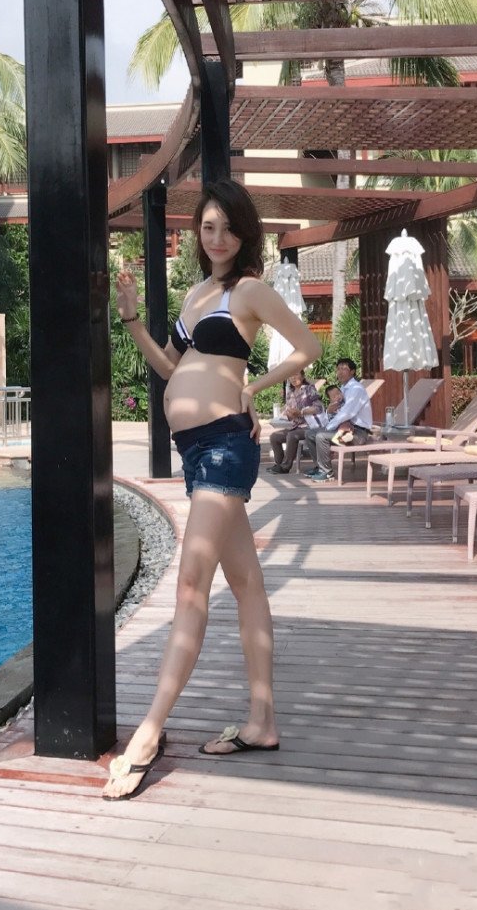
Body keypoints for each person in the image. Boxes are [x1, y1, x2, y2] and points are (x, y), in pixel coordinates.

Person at [106, 178, 320, 800]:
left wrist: (253, 389)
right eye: (208, 227)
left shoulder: (248, 290)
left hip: (226, 444)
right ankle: (262, 721)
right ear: (197, 233)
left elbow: (307, 347)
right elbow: (171, 367)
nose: (217, 237)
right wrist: (131, 318)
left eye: (228, 227)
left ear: (243, 232)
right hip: (195, 450)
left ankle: (148, 733)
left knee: (190, 583)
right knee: (246, 582)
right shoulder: (197, 293)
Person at [303, 359, 373, 483]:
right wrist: (329, 412)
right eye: (338, 369)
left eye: (344, 369)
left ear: (352, 371)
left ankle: (327, 472)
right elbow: (336, 413)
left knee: (321, 436)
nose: (340, 372)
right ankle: (319, 467)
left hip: (357, 434)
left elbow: (347, 413)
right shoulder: (342, 389)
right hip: (343, 430)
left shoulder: (356, 389)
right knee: (309, 434)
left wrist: (328, 427)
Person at [268, 370, 322, 473]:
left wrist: (301, 412)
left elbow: (318, 408)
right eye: (290, 375)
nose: (293, 378)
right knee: (274, 437)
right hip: (296, 426)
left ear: (303, 376)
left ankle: (285, 467)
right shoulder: (290, 393)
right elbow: (290, 415)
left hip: (310, 426)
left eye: (296, 374)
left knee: (292, 435)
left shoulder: (309, 389)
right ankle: (278, 464)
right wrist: (289, 414)